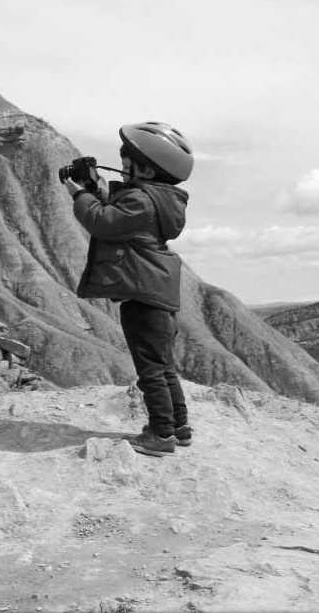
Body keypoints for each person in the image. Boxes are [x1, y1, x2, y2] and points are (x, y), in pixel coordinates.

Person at [62, 122, 194, 458]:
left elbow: (104, 222)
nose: (123, 167)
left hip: (143, 296)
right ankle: (179, 426)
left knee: (150, 369)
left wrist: (80, 194)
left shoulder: (141, 201)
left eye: (128, 162)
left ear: (148, 168)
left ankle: (161, 435)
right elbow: (123, 211)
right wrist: (101, 190)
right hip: (159, 294)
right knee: (163, 365)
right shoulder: (159, 200)